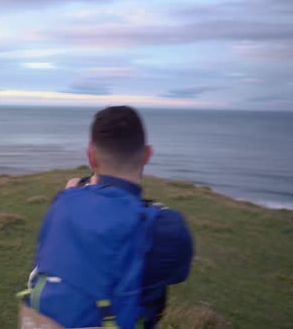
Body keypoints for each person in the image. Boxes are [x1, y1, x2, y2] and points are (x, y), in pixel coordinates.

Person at [22, 106, 193, 329]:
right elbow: (176, 274)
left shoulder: (63, 202)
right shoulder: (168, 228)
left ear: (91, 155)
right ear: (147, 154)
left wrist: (76, 193)